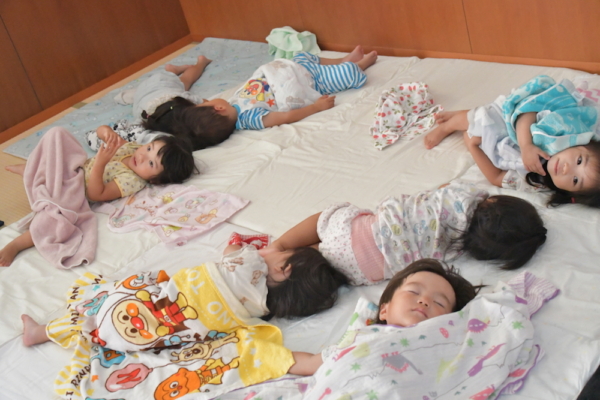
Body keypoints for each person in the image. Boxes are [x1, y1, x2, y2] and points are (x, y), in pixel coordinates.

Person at [21, 237, 348, 347]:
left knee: (130, 290)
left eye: (284, 253)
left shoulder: (250, 262)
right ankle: (48, 332)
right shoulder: (262, 312)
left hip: (144, 306)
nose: (276, 250)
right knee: (116, 317)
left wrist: (248, 247)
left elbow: (231, 250)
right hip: (152, 336)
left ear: (283, 269)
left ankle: (42, 332)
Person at [267, 180, 546, 287]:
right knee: (327, 255)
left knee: (326, 219)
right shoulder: (460, 248)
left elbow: (442, 188)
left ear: (495, 201)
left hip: (355, 230)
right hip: (364, 270)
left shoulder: (468, 193)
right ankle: (295, 263)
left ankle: (279, 245)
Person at [0, 126, 195, 267]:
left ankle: (16, 244)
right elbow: (102, 132)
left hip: (76, 192)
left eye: (151, 164)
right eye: (149, 148)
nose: (143, 156)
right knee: (58, 134)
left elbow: (96, 194)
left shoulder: (132, 180)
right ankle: (34, 169)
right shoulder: (132, 149)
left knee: (52, 219)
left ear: (154, 180)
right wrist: (106, 133)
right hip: (74, 170)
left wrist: (100, 163)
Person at [423, 75, 600, 208]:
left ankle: (466, 115)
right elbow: (528, 111)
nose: (567, 169)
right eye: (579, 160)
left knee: (481, 131)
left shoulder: (538, 183)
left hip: (506, 139)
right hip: (517, 116)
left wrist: (472, 146)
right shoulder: (561, 130)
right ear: (583, 144)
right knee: (484, 118)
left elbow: (497, 177)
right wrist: (526, 145)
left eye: (575, 180)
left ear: (570, 194)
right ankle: (448, 126)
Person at [287, 259, 481, 375]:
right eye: (414, 291)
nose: (424, 301)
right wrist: (270, 354)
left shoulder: (445, 352)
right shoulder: (362, 337)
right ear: (384, 310)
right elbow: (309, 363)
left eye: (439, 303)